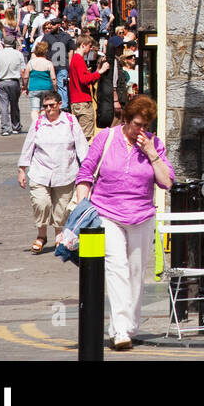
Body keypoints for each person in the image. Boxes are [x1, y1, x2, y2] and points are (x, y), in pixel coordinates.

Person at [74, 95, 173, 350]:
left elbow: (167, 182)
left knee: (136, 273)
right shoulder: (106, 138)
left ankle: (129, 325)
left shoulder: (154, 144)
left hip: (141, 214)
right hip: (107, 212)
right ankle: (120, 331)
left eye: (146, 125)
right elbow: (86, 172)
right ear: (126, 119)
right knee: (116, 267)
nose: (142, 130)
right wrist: (83, 206)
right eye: (138, 124)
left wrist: (151, 154)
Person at [18, 90, 88, 253]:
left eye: (52, 105)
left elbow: (82, 146)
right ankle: (41, 235)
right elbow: (28, 146)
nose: (48, 109)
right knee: (41, 203)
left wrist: (87, 170)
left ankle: (59, 235)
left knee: (61, 208)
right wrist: (22, 169)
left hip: (66, 171)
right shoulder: (38, 123)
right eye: (45, 106)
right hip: (40, 172)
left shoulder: (70, 121)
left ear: (60, 105)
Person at [67, 34, 106, 141]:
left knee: (81, 133)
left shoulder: (76, 59)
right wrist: (100, 72)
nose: (90, 49)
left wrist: (97, 70)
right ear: (83, 45)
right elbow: (84, 80)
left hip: (77, 100)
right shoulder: (78, 59)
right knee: (85, 136)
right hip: (82, 100)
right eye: (89, 46)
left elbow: (84, 77)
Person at [0, 34, 25, 137]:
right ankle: (16, 126)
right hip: (14, 81)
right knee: (14, 104)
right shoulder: (18, 54)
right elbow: (23, 70)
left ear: (4, 43)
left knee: (3, 106)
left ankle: (5, 128)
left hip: (2, 82)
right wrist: (25, 84)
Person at [23, 40, 58, 118]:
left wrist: (25, 87)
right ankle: (42, 124)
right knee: (44, 109)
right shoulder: (49, 63)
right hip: (46, 88)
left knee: (35, 109)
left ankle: (36, 124)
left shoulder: (31, 63)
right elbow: (53, 78)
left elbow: (25, 77)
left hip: (34, 88)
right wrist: (55, 89)